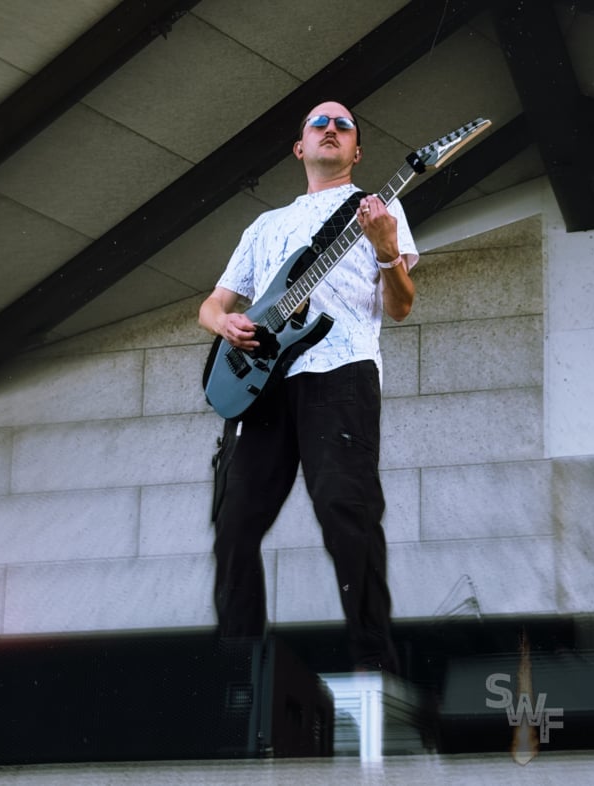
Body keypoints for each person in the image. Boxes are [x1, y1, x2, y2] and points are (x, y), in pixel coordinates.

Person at [198, 100, 418, 674]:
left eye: (343, 125)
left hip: (340, 373)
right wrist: (225, 324)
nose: (331, 129)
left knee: (348, 515)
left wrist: (386, 250)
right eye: (319, 123)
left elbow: (399, 307)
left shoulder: (380, 208)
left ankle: (375, 668)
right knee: (233, 526)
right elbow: (213, 304)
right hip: (265, 384)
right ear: (300, 147)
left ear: (356, 151)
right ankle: (239, 673)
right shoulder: (266, 226)